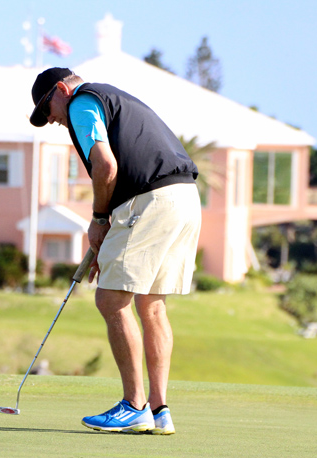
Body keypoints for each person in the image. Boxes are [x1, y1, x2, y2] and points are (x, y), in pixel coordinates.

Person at [29, 67, 201, 434]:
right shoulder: (116, 97)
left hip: (149, 199)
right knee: (151, 304)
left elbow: (105, 165)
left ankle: (134, 406)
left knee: (110, 299)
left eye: (47, 109)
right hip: (185, 198)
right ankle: (159, 410)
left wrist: (98, 219)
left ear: (61, 90)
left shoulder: (81, 101)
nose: (52, 119)